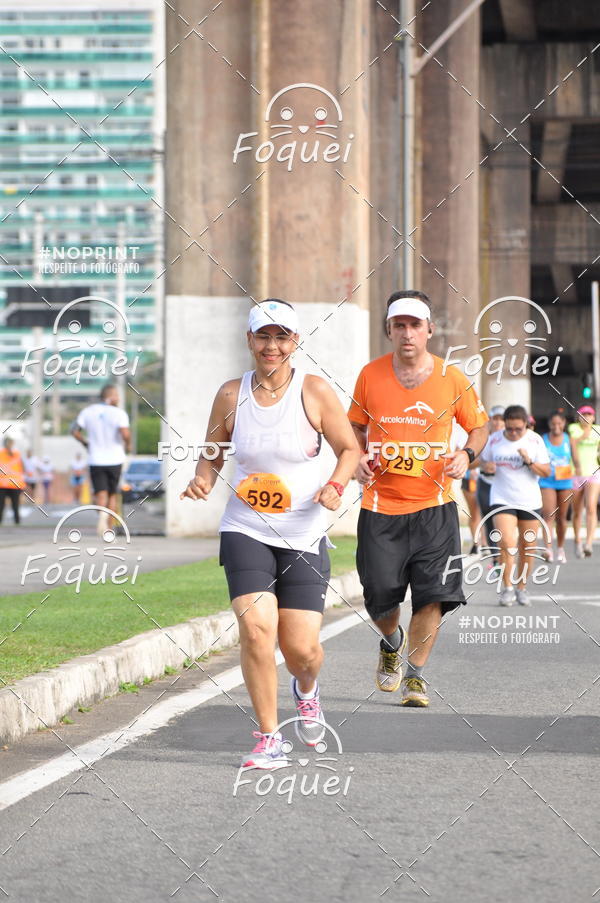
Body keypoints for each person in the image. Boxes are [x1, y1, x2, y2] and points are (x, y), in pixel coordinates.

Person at [181, 299, 360, 769]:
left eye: (282, 337)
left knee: (301, 650)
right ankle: (267, 737)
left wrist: (336, 485)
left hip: (303, 532)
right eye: (264, 336)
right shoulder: (229, 394)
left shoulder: (315, 391)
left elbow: (349, 448)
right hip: (246, 528)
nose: (272, 346)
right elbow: (213, 451)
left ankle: (306, 690)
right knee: (258, 631)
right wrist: (204, 477)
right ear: (249, 341)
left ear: (295, 343)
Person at [348, 290, 489, 708]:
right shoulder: (369, 376)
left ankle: (415, 676)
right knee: (379, 594)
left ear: (429, 330)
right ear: (389, 330)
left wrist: (465, 454)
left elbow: (478, 428)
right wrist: (356, 458)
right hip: (380, 508)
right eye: (399, 325)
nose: (408, 333)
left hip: (434, 506)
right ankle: (391, 642)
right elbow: (353, 429)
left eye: (415, 325)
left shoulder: (453, 378)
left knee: (435, 594)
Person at [479, 404, 551, 607]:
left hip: (529, 500)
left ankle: (522, 588)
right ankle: (508, 588)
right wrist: (487, 466)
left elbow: (545, 472)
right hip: (501, 498)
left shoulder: (534, 440)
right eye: (509, 428)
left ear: (526, 425)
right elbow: (481, 462)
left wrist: (528, 461)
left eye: (517, 429)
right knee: (507, 544)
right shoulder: (494, 440)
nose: (512, 433)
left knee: (526, 548)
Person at [72, 384, 131, 534]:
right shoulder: (119, 413)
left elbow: (74, 431)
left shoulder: (88, 411)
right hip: (115, 458)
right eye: (117, 395)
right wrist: (128, 445)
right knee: (112, 494)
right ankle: (108, 529)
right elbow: (125, 434)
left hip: (95, 459)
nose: (118, 398)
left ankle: (102, 516)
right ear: (110, 397)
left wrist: (85, 442)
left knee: (100, 493)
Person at [540, 410, 575, 563]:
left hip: (565, 482)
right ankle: (548, 549)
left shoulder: (569, 439)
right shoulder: (543, 439)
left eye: (559, 423)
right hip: (547, 481)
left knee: (561, 518)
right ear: (549, 424)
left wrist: (578, 481)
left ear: (564, 424)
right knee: (548, 515)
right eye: (553, 424)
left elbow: (577, 462)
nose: (556, 426)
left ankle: (560, 548)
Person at [569, 405, 600, 558]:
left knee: (591, 507)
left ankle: (588, 543)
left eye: (589, 415)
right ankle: (577, 541)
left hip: (593, 472)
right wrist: (578, 465)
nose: (587, 417)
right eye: (583, 414)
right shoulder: (574, 428)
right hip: (576, 473)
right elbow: (573, 444)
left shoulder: (598, 430)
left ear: (593, 417)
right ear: (578, 417)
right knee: (576, 510)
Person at [476, 405, 505, 566]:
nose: (498, 423)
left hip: (504, 487)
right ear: (490, 421)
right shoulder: (483, 438)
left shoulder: (510, 438)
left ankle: (505, 554)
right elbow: (472, 461)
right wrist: (483, 464)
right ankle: (496, 558)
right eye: (495, 419)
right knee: (489, 522)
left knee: (503, 521)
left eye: (502, 419)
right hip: (486, 484)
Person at [0, 437, 26, 525]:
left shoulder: (17, 454)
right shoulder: (1, 453)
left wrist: (22, 484)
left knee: (15, 505)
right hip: (2, 484)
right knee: (1, 505)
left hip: (14, 484)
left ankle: (17, 522)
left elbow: (21, 469)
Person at [461, 467, 480, 555]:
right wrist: (469, 469)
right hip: (470, 480)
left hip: (489, 479)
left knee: (485, 513)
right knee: (474, 513)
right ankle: (476, 544)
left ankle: (485, 544)